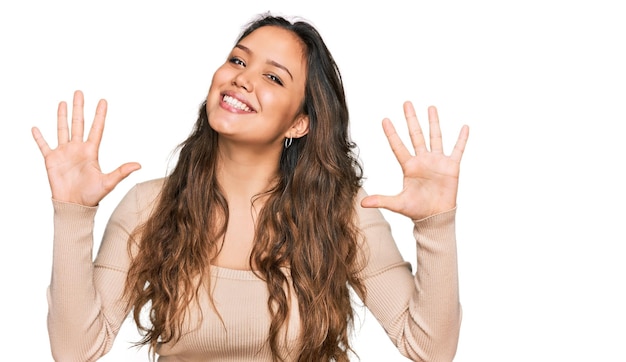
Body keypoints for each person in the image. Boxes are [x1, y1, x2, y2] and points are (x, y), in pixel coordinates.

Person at [31, 13, 469, 362]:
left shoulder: (344, 213)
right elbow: (75, 351)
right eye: (239, 61)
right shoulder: (149, 205)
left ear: (300, 123)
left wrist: (435, 225)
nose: (242, 78)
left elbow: (429, 349)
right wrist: (72, 212)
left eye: (273, 77)